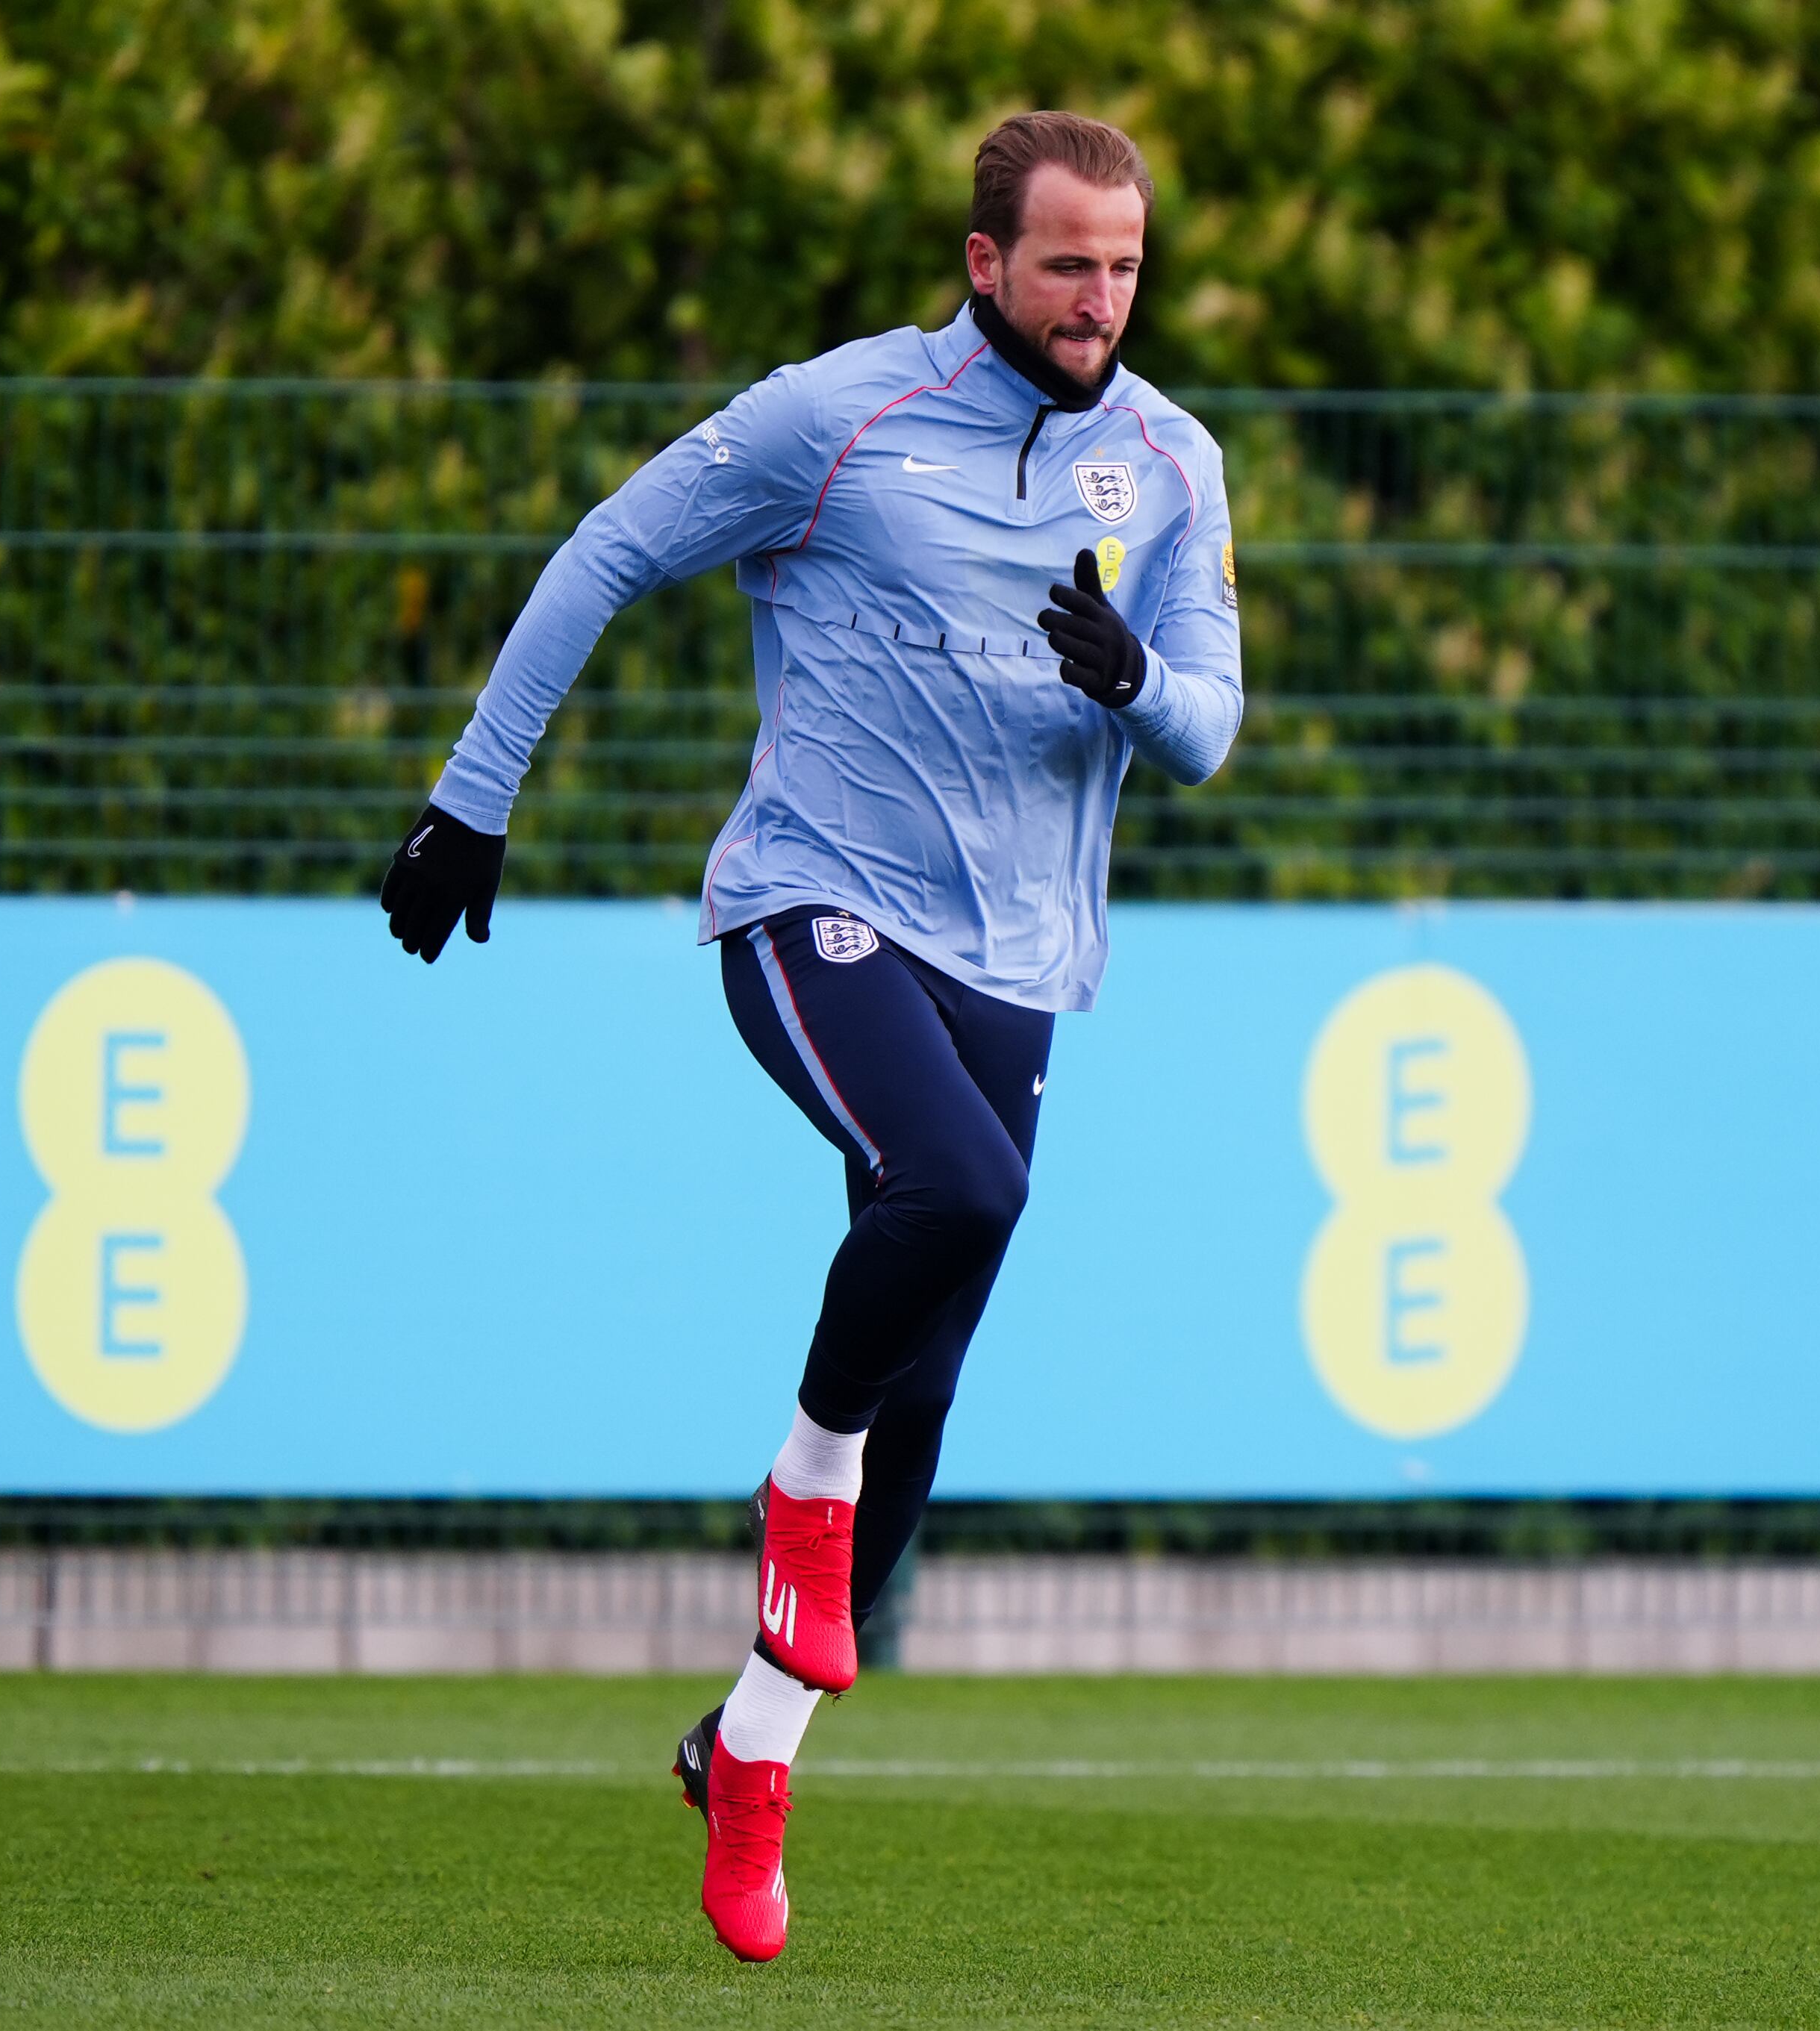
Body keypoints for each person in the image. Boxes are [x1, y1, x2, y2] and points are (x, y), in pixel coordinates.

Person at [375, 110, 1241, 1962]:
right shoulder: (830, 418)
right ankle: (796, 1477)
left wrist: (1137, 682)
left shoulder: (1170, 463)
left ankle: (749, 1744)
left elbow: (1210, 726)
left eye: (1127, 266)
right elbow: (606, 549)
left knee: (920, 1400)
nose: (1101, 300)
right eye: (1069, 263)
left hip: (1018, 957)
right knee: (962, 1185)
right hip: (810, 905)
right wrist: (473, 797)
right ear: (985, 258)